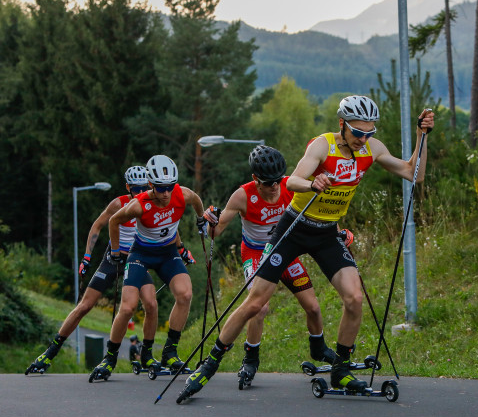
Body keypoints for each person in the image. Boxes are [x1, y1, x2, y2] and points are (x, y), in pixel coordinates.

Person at [180, 96, 434, 399]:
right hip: (294, 228)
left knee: (354, 298)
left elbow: (413, 173)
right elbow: (293, 181)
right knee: (256, 301)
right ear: (342, 124)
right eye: (357, 132)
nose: (363, 139)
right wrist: (313, 183)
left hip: (326, 233)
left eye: (369, 133)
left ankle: (340, 370)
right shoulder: (321, 146)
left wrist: (421, 136)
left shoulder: (371, 149)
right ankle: (210, 364)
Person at [202, 145, 340, 386]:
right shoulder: (242, 195)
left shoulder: (291, 185)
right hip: (256, 254)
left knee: (314, 308)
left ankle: (318, 347)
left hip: (285, 251)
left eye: (278, 180)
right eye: (268, 182)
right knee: (259, 308)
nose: (275, 186)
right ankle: (251, 358)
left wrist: (339, 234)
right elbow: (217, 231)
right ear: (255, 179)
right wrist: (207, 222)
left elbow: (320, 215)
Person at [25, 166, 162, 374]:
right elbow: (97, 226)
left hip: (136, 260)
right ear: (128, 187)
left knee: (151, 304)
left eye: (144, 188)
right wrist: (87, 257)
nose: (139, 192)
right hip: (113, 258)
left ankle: (147, 356)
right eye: (135, 189)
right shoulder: (119, 203)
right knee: (85, 306)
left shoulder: (153, 204)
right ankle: (49, 353)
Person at [89, 154, 207, 380]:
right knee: (127, 307)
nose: (166, 193)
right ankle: (110, 357)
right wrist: (115, 252)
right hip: (141, 255)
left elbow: (196, 201)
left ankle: (170, 352)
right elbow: (113, 221)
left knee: (185, 294)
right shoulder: (139, 204)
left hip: (167, 253)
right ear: (151, 185)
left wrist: (201, 218)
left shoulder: (182, 194)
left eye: (170, 187)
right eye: (161, 188)